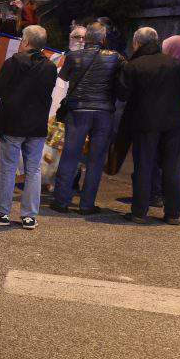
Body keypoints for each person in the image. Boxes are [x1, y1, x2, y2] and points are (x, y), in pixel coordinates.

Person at [0, 25, 57, 229]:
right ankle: (29, 216)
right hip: (37, 125)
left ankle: (1, 213)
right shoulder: (50, 67)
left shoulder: (14, 62)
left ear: (26, 41)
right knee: (33, 170)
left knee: (8, 168)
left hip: (13, 123)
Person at [49, 22, 124, 215]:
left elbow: (64, 78)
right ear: (103, 38)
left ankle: (61, 201)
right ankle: (87, 205)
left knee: (70, 156)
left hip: (78, 111)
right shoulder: (115, 58)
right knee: (96, 160)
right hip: (104, 113)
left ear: (86, 38)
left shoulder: (73, 56)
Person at [117, 27, 180, 224]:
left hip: (145, 122)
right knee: (172, 167)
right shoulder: (176, 64)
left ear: (136, 43)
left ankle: (139, 212)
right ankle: (173, 213)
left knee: (144, 165)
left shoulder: (134, 65)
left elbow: (122, 94)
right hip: (173, 122)